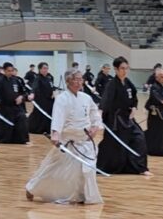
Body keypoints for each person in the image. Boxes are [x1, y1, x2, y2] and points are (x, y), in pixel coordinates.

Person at [25, 69, 105, 205]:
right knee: (52, 169)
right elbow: (58, 116)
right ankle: (32, 188)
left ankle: (82, 194)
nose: (79, 82)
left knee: (86, 170)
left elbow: (94, 112)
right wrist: (56, 134)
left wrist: (95, 126)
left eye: (81, 79)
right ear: (68, 81)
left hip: (84, 140)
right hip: (67, 141)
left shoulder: (86, 97)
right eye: (76, 79)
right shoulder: (62, 98)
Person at [97, 57, 150, 175]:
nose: (125, 71)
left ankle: (140, 167)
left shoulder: (128, 82)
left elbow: (134, 97)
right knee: (113, 144)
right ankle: (104, 166)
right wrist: (99, 114)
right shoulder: (112, 84)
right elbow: (106, 100)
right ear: (116, 69)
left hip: (128, 118)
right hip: (115, 120)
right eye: (122, 68)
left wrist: (134, 107)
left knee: (139, 138)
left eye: (126, 68)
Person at [0, 62, 31, 144]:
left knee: (22, 117)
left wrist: (21, 97)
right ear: (4, 71)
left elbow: (24, 93)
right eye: (8, 71)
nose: (10, 72)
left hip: (16, 107)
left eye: (12, 70)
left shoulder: (16, 80)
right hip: (4, 108)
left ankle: (20, 139)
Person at [28, 62, 56, 135]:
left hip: (49, 101)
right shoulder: (38, 78)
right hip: (41, 100)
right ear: (40, 69)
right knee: (39, 114)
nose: (45, 70)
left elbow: (52, 87)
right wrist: (32, 93)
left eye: (46, 68)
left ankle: (47, 128)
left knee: (49, 114)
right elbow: (34, 87)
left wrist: (53, 92)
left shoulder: (48, 78)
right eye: (44, 68)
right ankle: (32, 127)